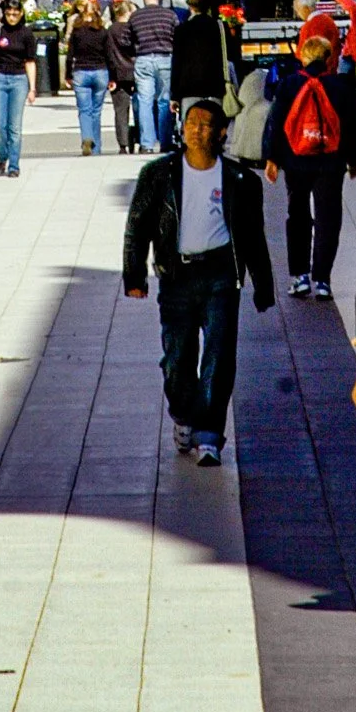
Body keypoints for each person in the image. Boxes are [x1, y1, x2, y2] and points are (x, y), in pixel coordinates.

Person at [123, 99, 275, 466]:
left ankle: (209, 434)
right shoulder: (159, 174)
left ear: (222, 132)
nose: (197, 130)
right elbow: (137, 226)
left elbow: (254, 236)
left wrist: (263, 284)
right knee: (177, 358)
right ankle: (183, 413)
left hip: (221, 275)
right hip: (176, 276)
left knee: (219, 357)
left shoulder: (242, 181)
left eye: (206, 125)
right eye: (191, 123)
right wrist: (135, 275)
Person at [262, 6, 356, 299]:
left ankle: (299, 276)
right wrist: (355, 160)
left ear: (303, 55)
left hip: (296, 160)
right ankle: (322, 279)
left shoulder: (289, 84)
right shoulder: (341, 86)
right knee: (328, 216)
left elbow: (275, 122)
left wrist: (272, 158)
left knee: (297, 214)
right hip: (331, 160)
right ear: (329, 58)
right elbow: (353, 124)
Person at [0, 0, 37, 176]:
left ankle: (14, 165)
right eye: (8, 14)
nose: (12, 17)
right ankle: (3, 156)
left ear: (21, 13)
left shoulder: (26, 34)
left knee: (14, 126)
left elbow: (30, 62)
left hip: (19, 80)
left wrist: (32, 88)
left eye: (15, 14)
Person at [170, 0, 241, 120]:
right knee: (214, 127)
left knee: (192, 131)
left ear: (191, 7)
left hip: (189, 89)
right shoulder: (220, 28)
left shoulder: (182, 30)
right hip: (215, 87)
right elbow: (232, 54)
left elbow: (177, 64)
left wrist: (174, 96)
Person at [128, 0, 178, 153]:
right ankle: (165, 142)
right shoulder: (169, 15)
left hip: (143, 60)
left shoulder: (135, 17)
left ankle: (147, 144)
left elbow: (129, 40)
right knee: (164, 102)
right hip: (165, 59)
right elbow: (176, 38)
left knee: (145, 101)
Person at [65, 0, 113, 154]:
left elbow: (70, 55)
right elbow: (109, 55)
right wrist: (113, 77)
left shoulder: (77, 32)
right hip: (100, 72)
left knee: (84, 110)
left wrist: (68, 75)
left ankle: (87, 137)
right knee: (96, 111)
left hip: (81, 71)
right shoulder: (103, 32)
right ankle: (96, 148)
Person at [106, 0, 138, 154]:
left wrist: (111, 76)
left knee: (120, 110)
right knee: (141, 107)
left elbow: (109, 54)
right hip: (136, 71)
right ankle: (141, 138)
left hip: (118, 73)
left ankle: (123, 144)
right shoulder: (133, 29)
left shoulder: (110, 31)